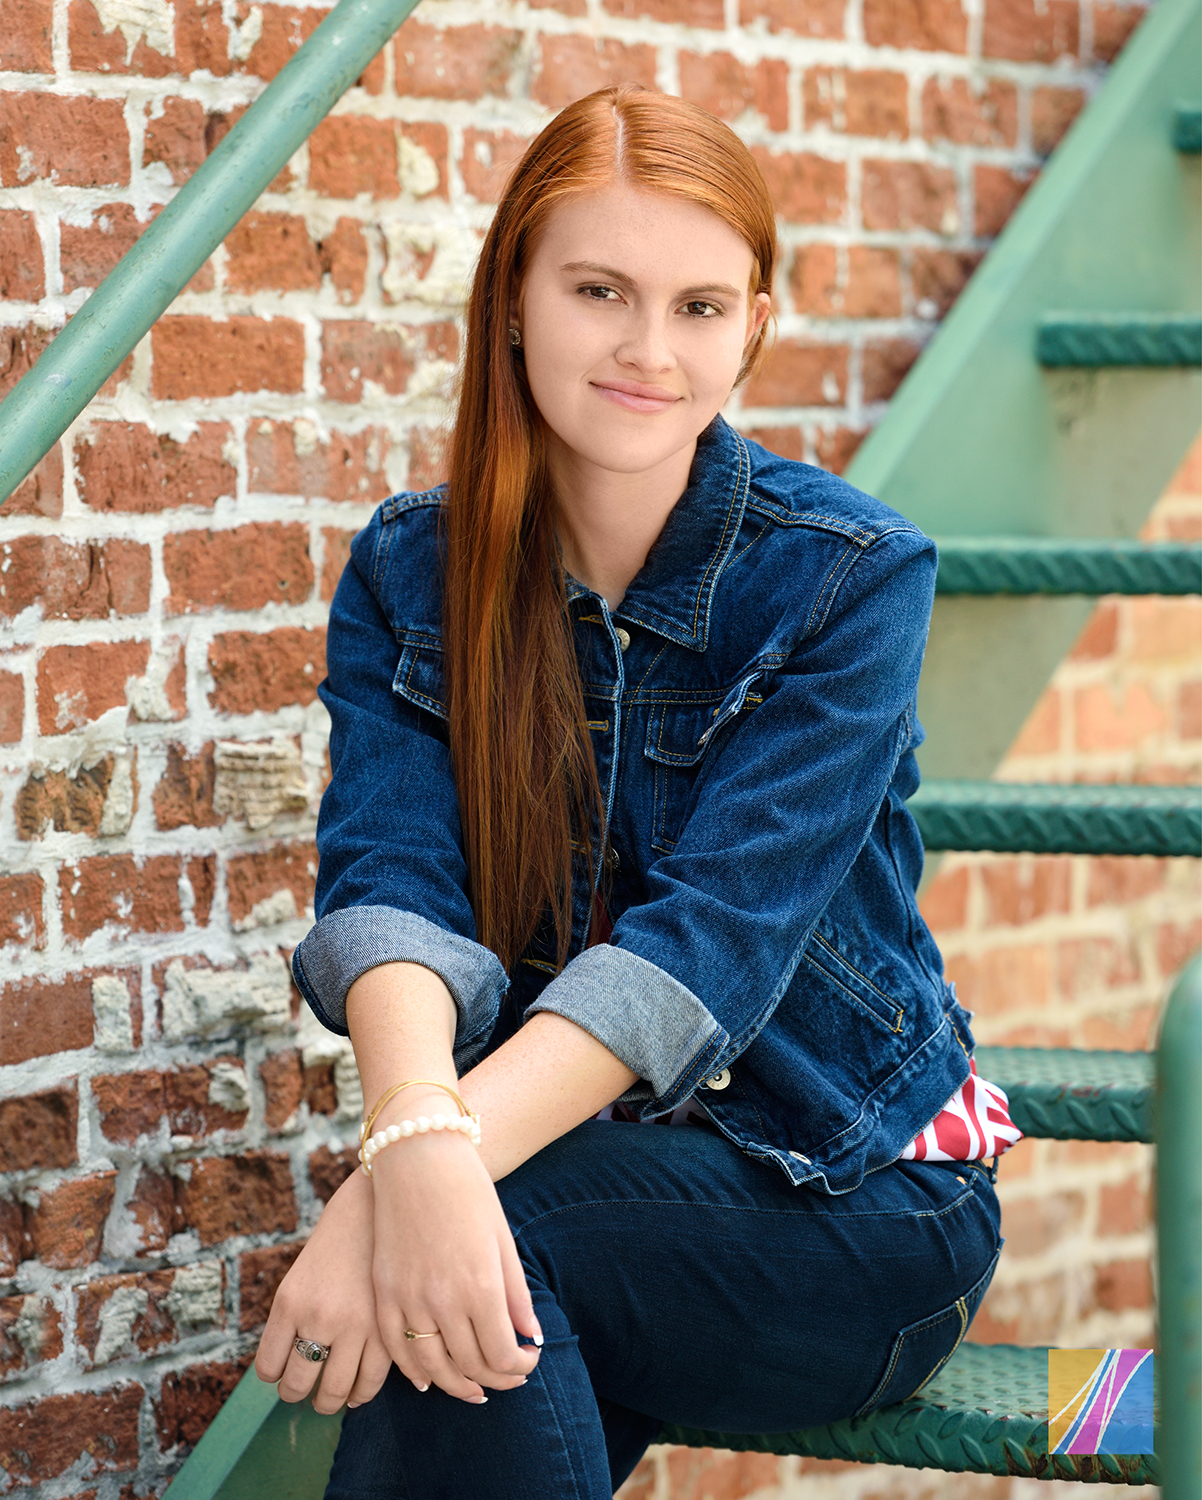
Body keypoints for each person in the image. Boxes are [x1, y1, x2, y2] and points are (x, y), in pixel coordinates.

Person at [255, 84, 1017, 1500]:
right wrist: (417, 1141)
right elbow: (389, 888)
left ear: (753, 330)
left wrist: (400, 1178)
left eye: (698, 307)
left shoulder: (848, 579)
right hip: (576, 1176)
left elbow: (705, 947)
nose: (647, 350)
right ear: (515, 302)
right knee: (473, 1269)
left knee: (477, 1246)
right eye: (599, 289)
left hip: (855, 1200)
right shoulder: (410, 573)